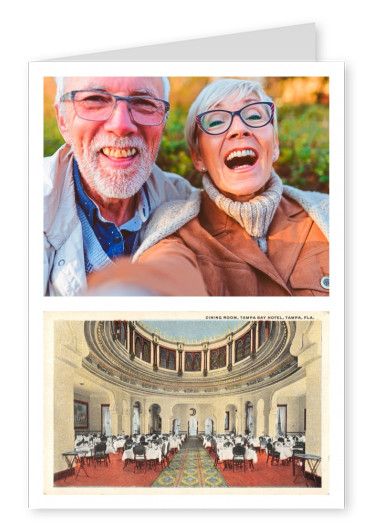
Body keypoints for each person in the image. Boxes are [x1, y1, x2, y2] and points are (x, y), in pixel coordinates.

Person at [87, 78, 329, 296]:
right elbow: (165, 271)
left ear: (274, 144)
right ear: (198, 157)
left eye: (254, 116)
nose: (239, 129)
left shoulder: (328, 213)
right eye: (216, 121)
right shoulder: (176, 229)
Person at [44, 76, 200, 296]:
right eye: (95, 99)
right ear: (62, 120)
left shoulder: (187, 204)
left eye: (143, 103)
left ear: (163, 121)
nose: (121, 126)